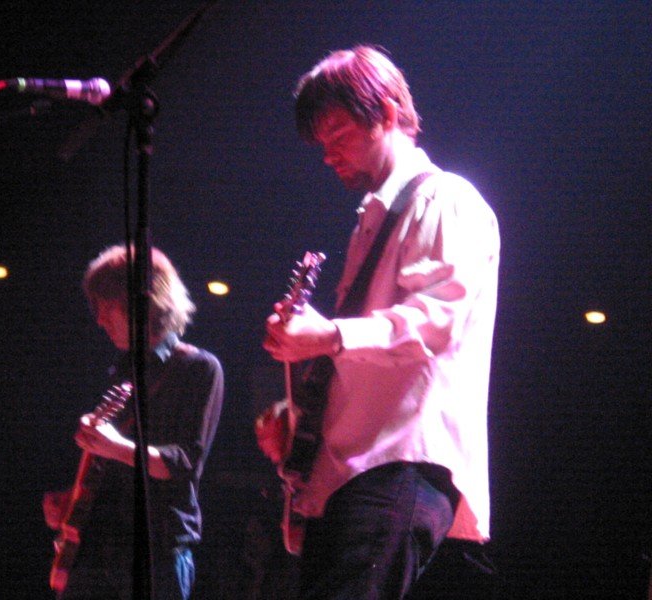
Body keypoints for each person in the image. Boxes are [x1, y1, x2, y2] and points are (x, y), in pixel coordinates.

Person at [256, 45, 500, 599]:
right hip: (352, 473)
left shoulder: (446, 198)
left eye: (337, 133)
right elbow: (368, 368)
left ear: (388, 113)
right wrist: (300, 428)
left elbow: (436, 322)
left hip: (398, 465)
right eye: (321, 142)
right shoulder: (372, 221)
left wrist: (331, 333)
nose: (327, 153)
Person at [44, 244, 224, 600]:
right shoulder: (120, 370)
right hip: (100, 550)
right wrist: (74, 501)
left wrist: (114, 446)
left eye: (105, 306)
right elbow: (112, 469)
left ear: (141, 304)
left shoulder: (198, 368)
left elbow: (184, 463)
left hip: (155, 554)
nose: (99, 319)